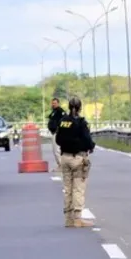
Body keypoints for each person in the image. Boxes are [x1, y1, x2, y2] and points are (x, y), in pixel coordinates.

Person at [54, 96, 96, 228]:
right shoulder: (81, 123)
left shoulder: (62, 121)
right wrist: (90, 147)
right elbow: (88, 140)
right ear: (80, 108)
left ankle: (68, 219)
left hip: (65, 158)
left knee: (68, 189)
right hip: (78, 158)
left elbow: (58, 140)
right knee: (78, 188)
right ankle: (78, 219)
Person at [47, 98, 65, 172]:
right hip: (54, 132)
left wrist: (59, 129)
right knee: (55, 150)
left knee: (56, 150)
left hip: (58, 133)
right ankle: (60, 165)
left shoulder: (61, 111)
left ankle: (61, 166)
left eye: (55, 103)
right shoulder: (54, 111)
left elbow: (65, 120)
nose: (53, 104)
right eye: (52, 103)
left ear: (58, 103)